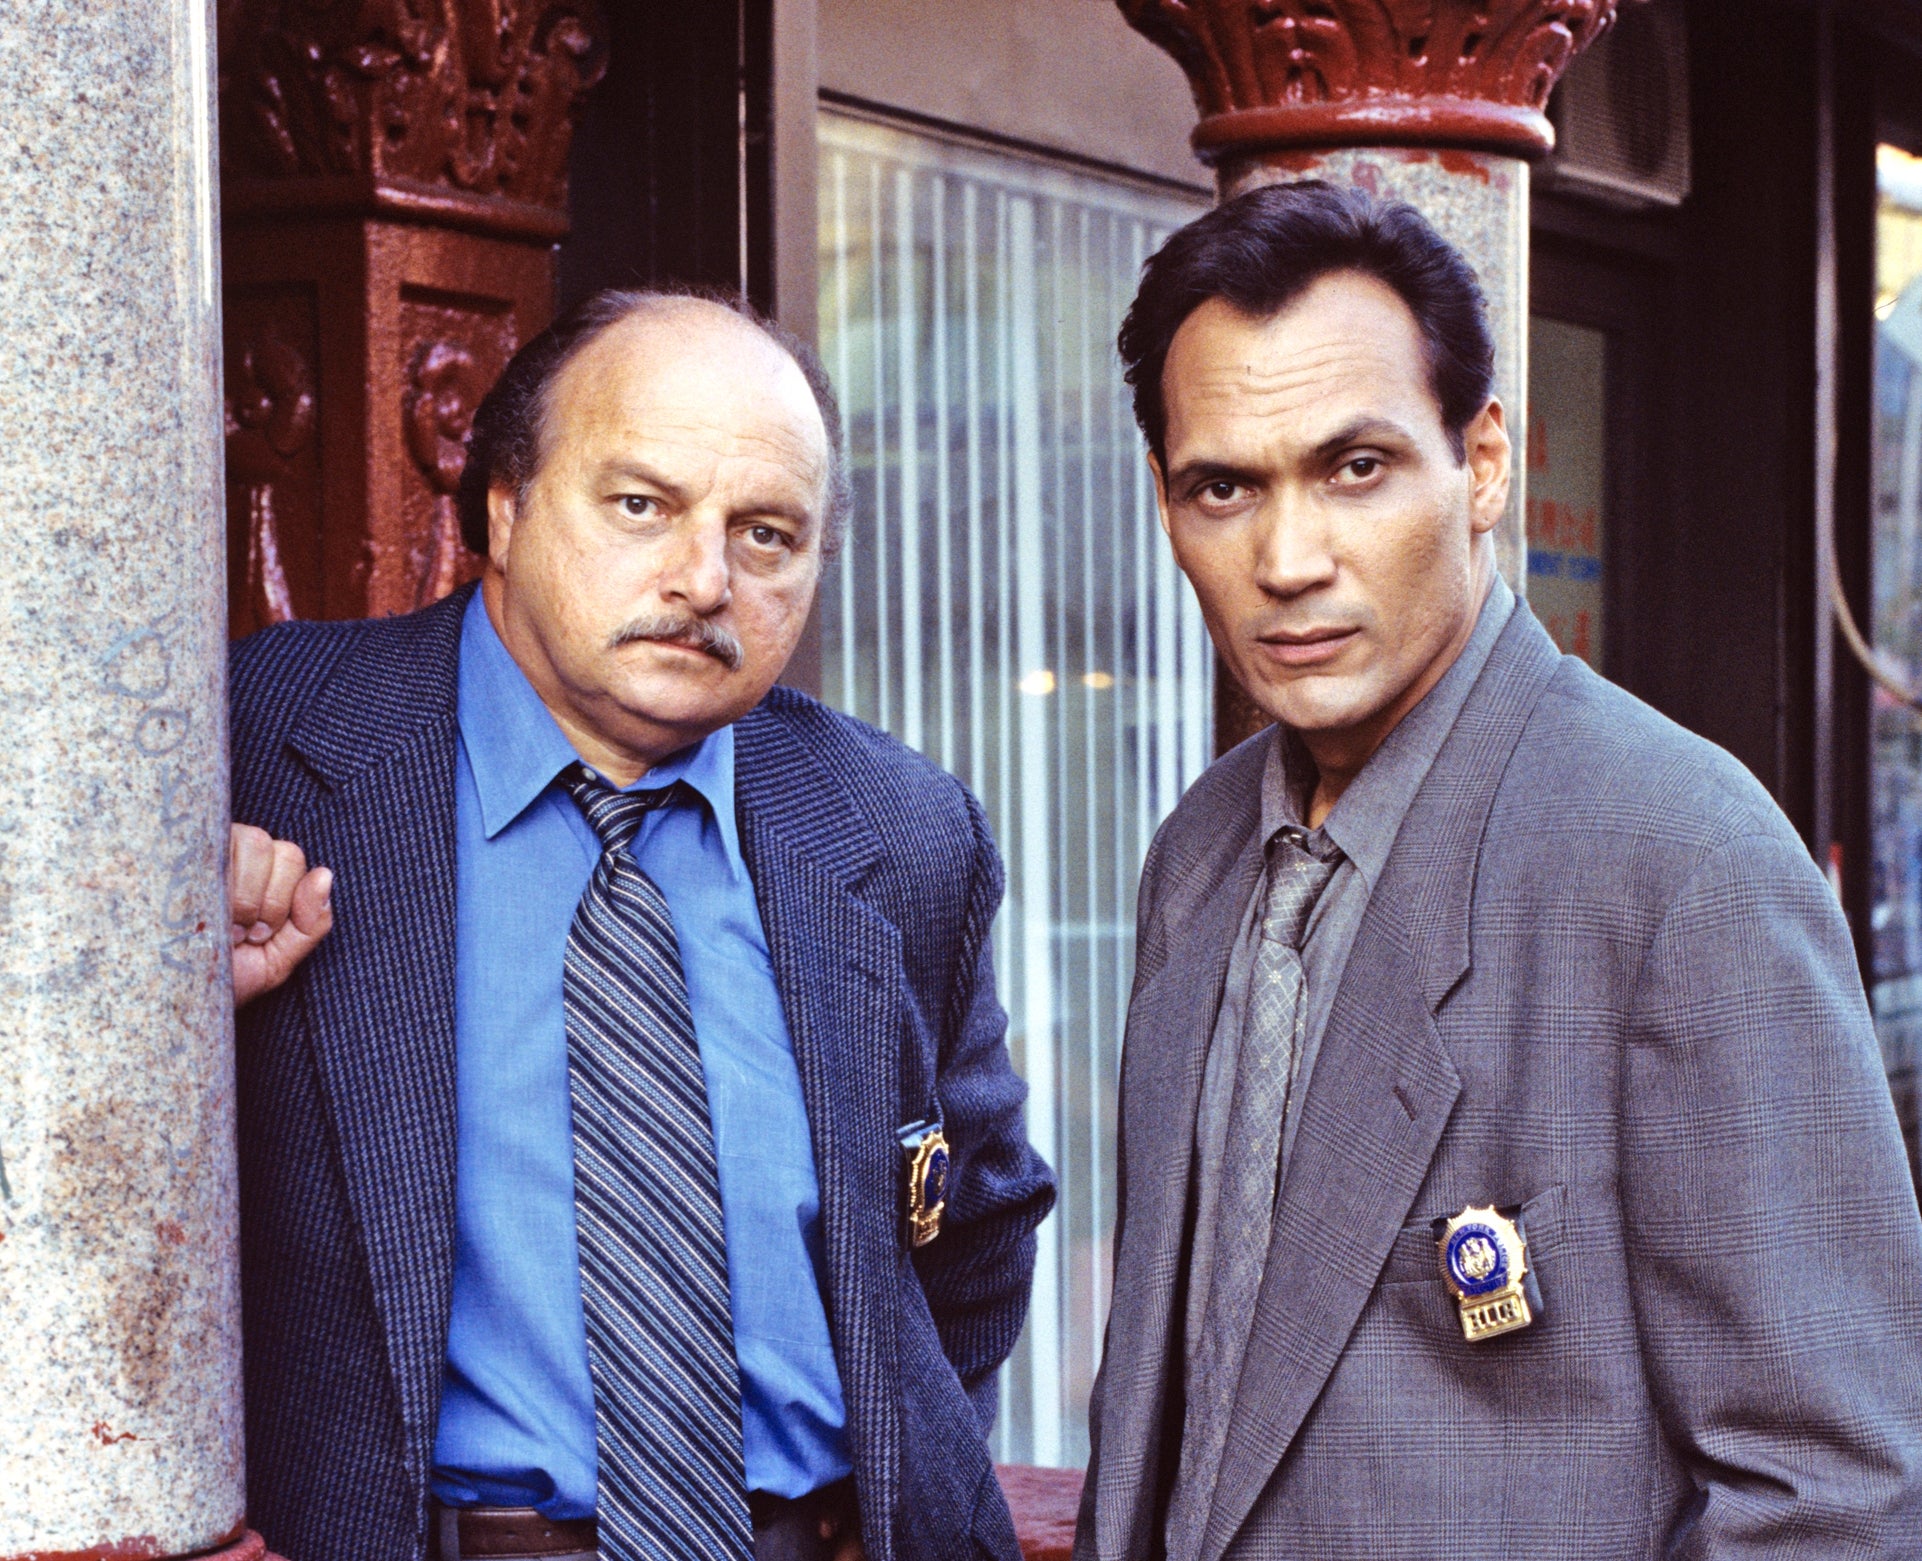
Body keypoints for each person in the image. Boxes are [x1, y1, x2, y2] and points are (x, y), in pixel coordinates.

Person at [1074, 182, 1922, 1561]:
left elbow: (1835, 1500)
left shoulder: (1681, 860)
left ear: (1480, 465)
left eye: (1355, 467)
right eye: (1222, 487)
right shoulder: (1200, 850)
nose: (1285, 559)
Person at [226, 289, 1055, 1561]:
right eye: (639, 505)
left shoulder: (900, 826)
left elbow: (976, 1233)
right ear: (504, 508)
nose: (703, 579)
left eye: (765, 534)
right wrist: (159, 990)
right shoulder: (251, 745)